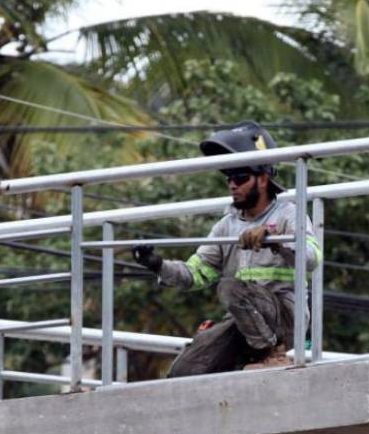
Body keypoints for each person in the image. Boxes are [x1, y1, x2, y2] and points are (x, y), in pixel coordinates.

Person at [131, 121, 321, 375]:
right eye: (229, 178)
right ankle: (251, 357)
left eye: (240, 177)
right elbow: (196, 273)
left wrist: (275, 240)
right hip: (244, 323)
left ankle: (271, 353)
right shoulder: (226, 226)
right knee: (184, 370)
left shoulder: (289, 215)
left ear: (263, 179)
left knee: (230, 287)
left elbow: (311, 259)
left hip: (284, 319)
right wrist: (158, 265)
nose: (233, 184)